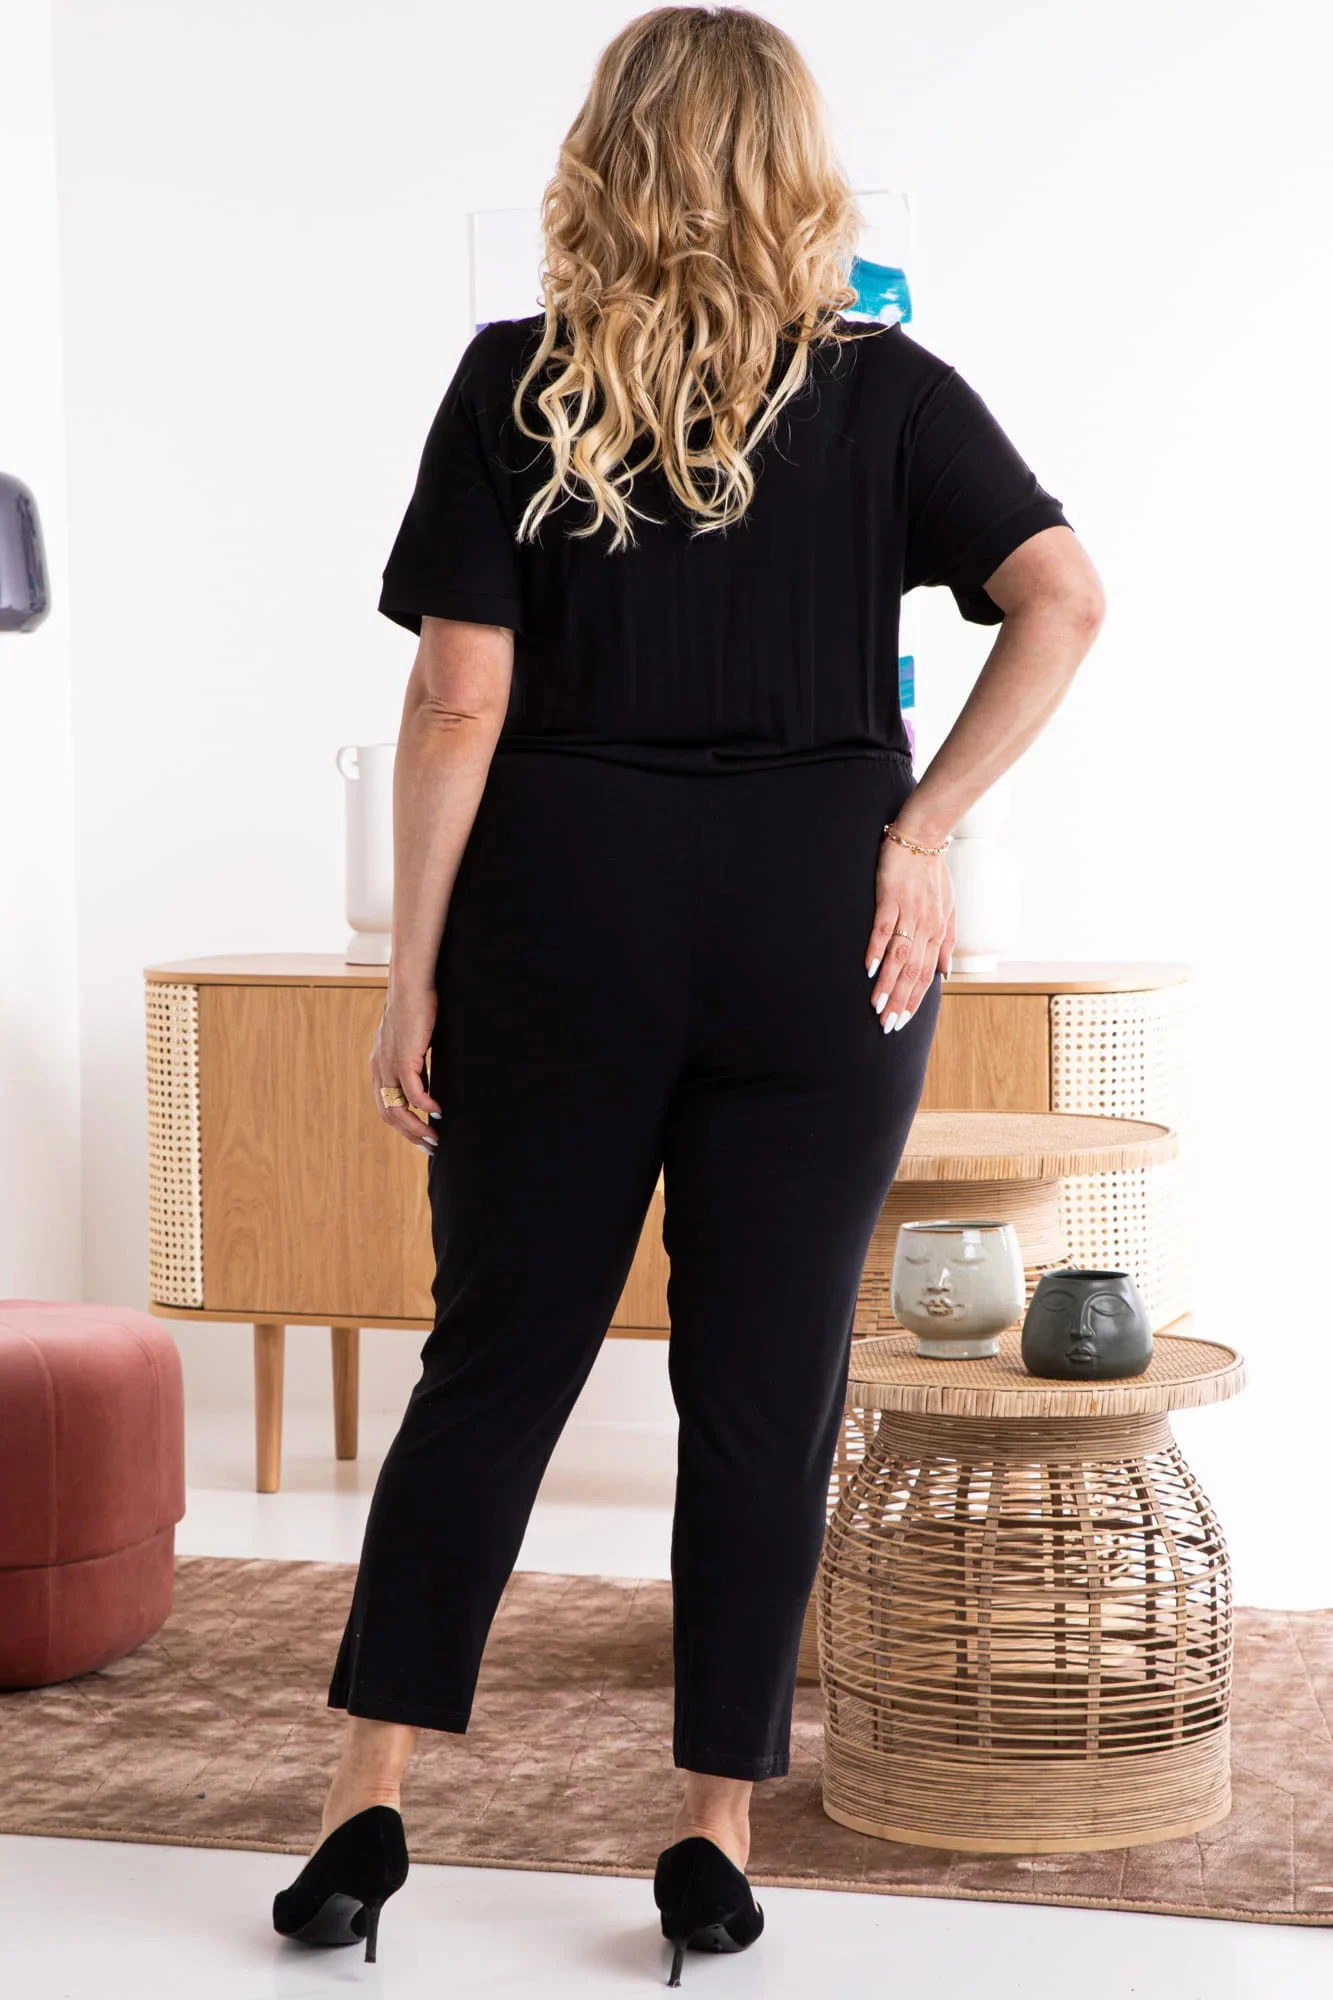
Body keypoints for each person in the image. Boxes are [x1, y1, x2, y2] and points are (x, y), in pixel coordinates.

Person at [272, 3, 1105, 1983]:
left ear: (607, 160)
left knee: (495, 1363)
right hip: (822, 932)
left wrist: (410, 974)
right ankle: (711, 1837)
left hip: (562, 922)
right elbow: (1064, 595)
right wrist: (923, 834)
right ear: (792, 168)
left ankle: (365, 1808)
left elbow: (456, 698)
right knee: (765, 1381)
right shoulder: (891, 393)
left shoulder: (517, 382)